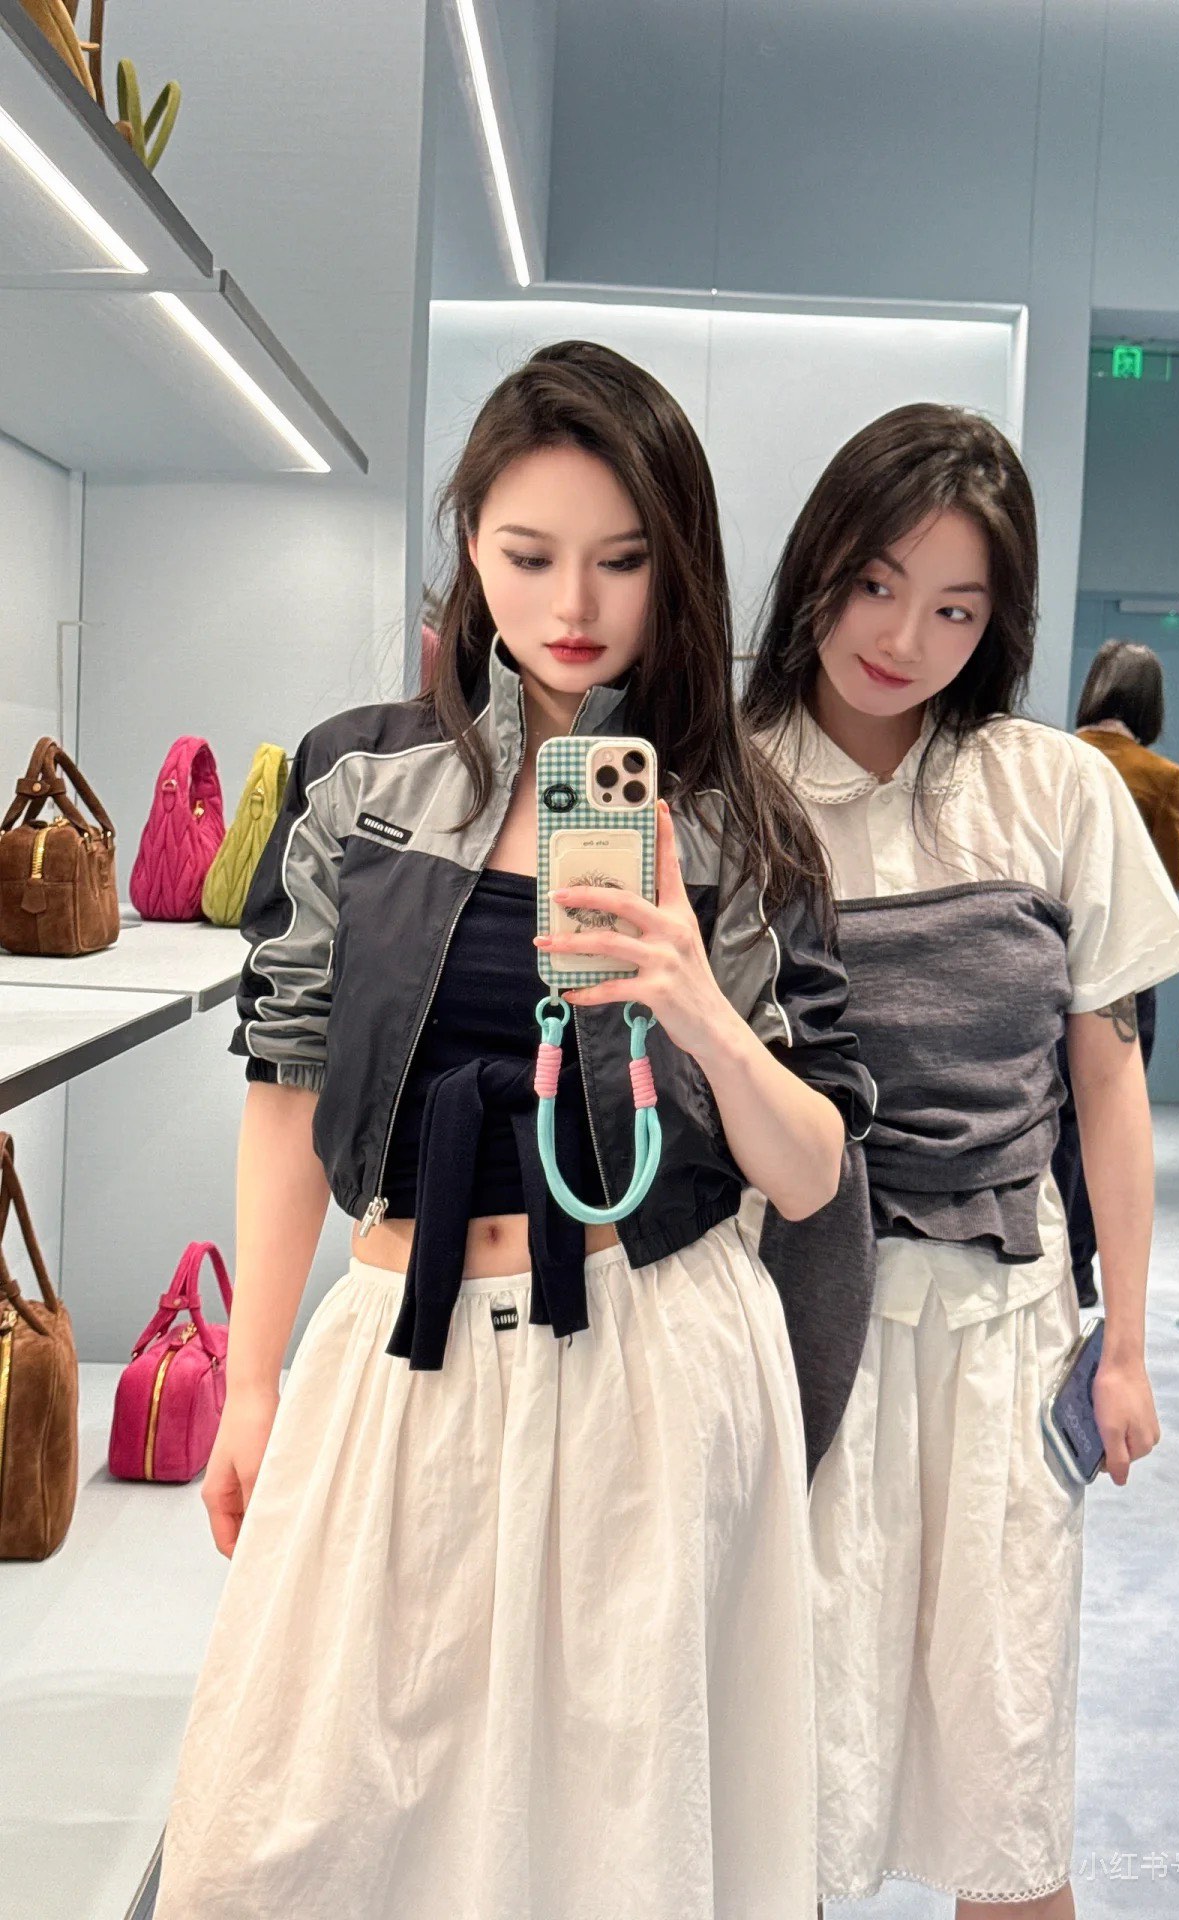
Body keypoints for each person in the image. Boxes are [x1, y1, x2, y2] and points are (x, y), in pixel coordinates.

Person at [153, 341, 874, 1920]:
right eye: (529, 554)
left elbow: (815, 1169)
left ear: (678, 566)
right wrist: (253, 1380)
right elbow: (285, 1082)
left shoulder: (733, 818)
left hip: (648, 1353)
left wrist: (694, 1004)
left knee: (610, 1843)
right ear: (468, 546)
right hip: (397, 1348)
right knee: (283, 1839)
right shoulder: (361, 780)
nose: (574, 604)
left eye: (622, 559)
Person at [743, 404, 1179, 1916]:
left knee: (1005, 1776)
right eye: (877, 585)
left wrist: (1127, 1345)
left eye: (956, 608)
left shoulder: (1051, 788)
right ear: (819, 566)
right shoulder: (726, 788)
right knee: (781, 1774)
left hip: (1005, 1327)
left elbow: (1107, 1080)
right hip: (794, 1326)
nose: (904, 639)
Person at [1055, 639, 1179, 1305]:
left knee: (1050, 1116)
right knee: (1107, 1117)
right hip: (1124, 970)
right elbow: (1167, 880)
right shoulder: (1160, 777)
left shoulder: (1054, 757)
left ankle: (1048, 1258)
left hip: (1049, 958)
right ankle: (1079, 1269)